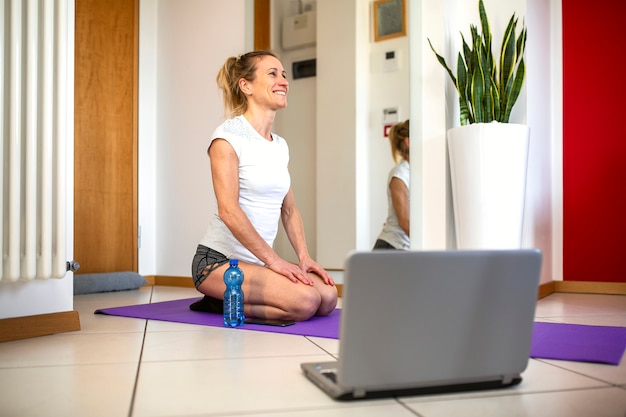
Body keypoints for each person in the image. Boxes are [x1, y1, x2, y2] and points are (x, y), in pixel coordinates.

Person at [190, 50, 337, 322]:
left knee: (327, 297)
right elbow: (228, 210)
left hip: (257, 263)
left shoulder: (280, 146)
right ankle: (217, 301)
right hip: (218, 262)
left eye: (283, 74)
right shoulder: (227, 137)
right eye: (272, 74)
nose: (283, 80)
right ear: (246, 86)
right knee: (305, 301)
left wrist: (304, 258)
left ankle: (234, 296)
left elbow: (289, 210)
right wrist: (276, 262)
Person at [373, 120, 410, 250]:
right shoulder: (400, 174)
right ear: (408, 142)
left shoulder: (415, 172)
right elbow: (404, 221)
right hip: (391, 247)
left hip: (403, 248)